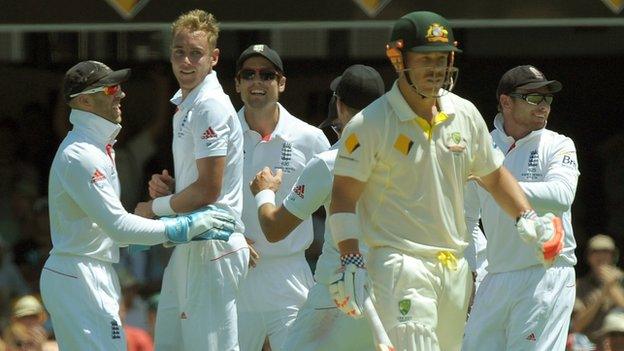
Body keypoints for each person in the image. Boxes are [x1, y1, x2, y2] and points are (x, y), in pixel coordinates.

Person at [327, 11, 565, 351]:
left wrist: (527, 218)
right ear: (398, 58)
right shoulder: (370, 124)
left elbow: (494, 176)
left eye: (441, 58)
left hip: (455, 268)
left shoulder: (464, 114)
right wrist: (350, 259)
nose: (435, 68)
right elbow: (343, 198)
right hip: (400, 265)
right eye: (424, 58)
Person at [40, 60, 236, 351]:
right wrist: (186, 227)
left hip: (92, 270)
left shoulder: (97, 147)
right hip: (78, 273)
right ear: (83, 101)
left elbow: (111, 227)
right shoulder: (80, 153)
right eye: (110, 89)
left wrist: (164, 218)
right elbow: (119, 228)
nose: (120, 94)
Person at [135, 10, 249, 351]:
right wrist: (171, 193)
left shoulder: (209, 105)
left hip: (212, 245)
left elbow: (209, 189)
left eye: (196, 53)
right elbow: (201, 185)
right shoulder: (188, 103)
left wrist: (153, 207)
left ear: (213, 57)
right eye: (178, 52)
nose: (186, 61)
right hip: (191, 243)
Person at [250, 64, 385, 350]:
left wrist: (264, 193)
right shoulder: (404, 156)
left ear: (341, 107)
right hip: (388, 288)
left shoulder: (329, 163)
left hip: (336, 293)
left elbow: (274, 229)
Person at [462, 65, 579, 350]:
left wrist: (496, 183)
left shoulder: (559, 144)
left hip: (546, 274)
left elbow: (562, 195)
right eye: (533, 98)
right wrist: (469, 274)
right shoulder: (481, 147)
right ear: (506, 102)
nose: (543, 107)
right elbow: (465, 217)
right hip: (496, 275)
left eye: (547, 99)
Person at [235, 43, 331, 350]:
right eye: (248, 74)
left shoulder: (311, 138)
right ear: (237, 83)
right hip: (234, 272)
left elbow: (336, 205)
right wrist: (229, 236)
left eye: (267, 74)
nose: (257, 81)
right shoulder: (219, 134)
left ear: (282, 83)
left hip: (290, 273)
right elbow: (205, 197)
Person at [575, 234, 624, 343]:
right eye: (596, 252)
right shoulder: (580, 285)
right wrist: (603, 293)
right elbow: (577, 326)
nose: (601, 256)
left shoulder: (622, 280)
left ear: (613, 256)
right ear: (588, 257)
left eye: (606, 252)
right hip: (590, 343)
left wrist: (612, 287)